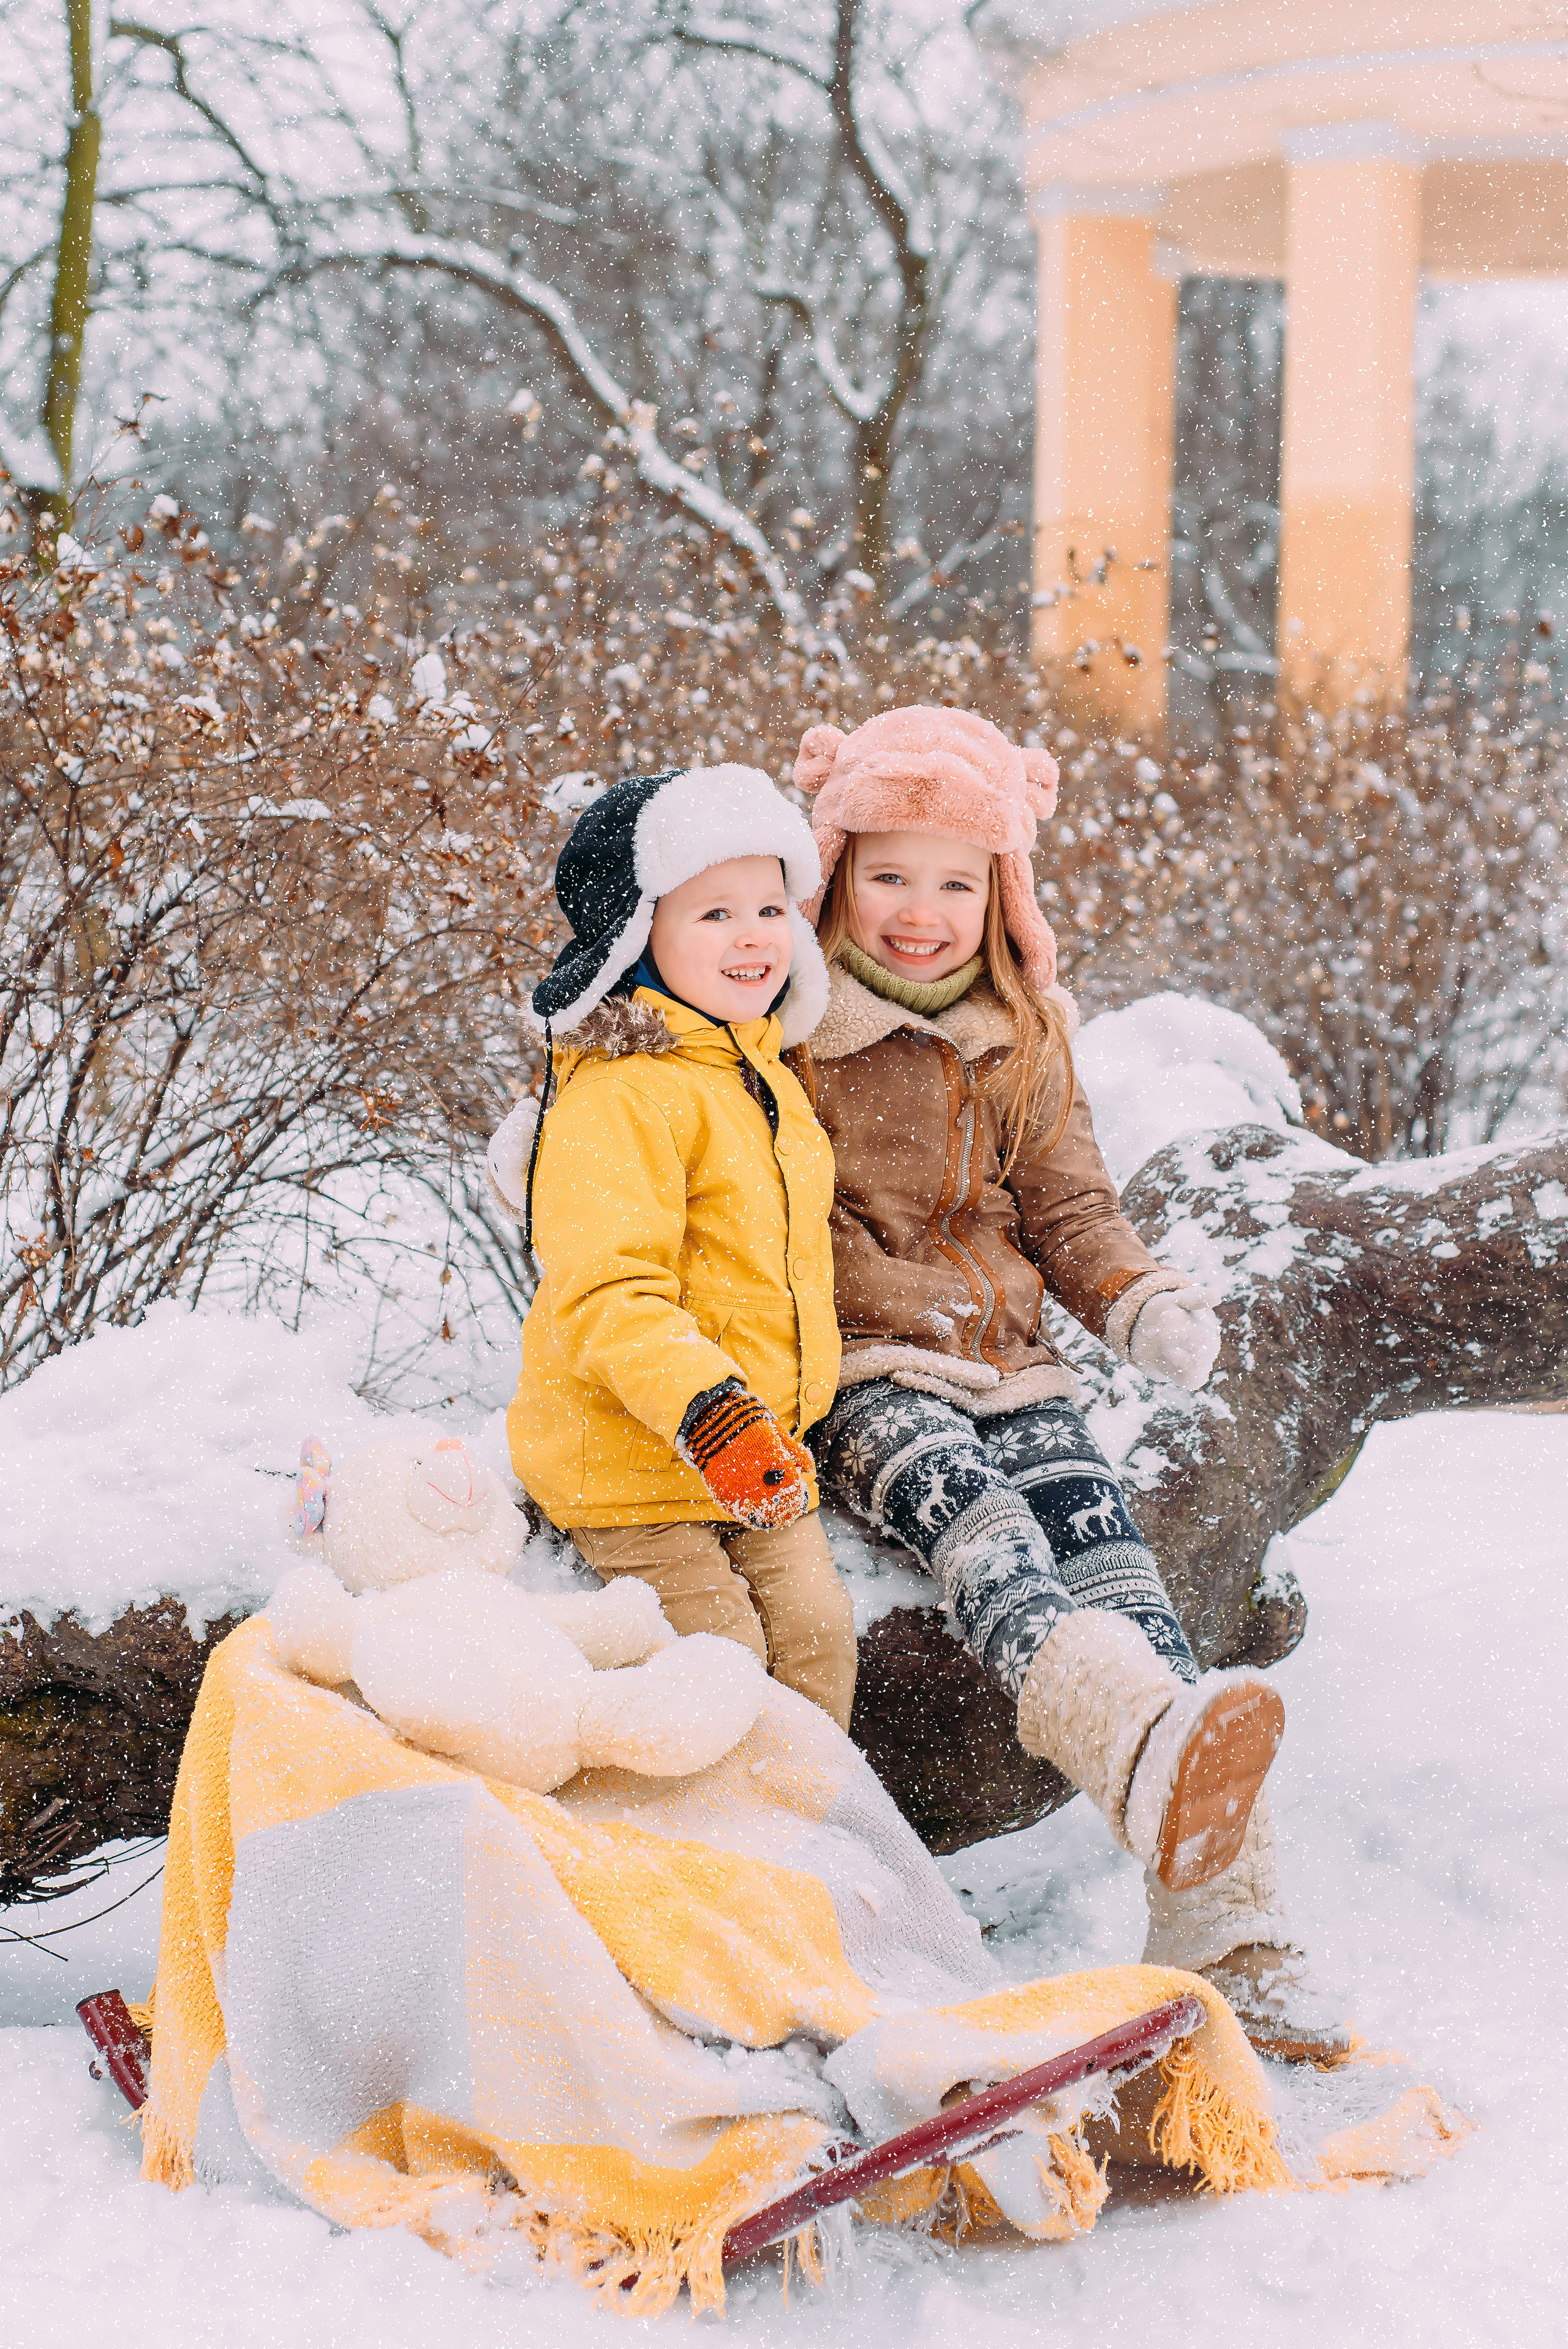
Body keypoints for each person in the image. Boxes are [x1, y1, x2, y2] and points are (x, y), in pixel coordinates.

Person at [793, 706, 1349, 2060]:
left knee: (1117, 1564)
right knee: (982, 1538)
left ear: (1001, 893)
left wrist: (1135, 1297)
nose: (918, 913)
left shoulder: (1023, 1028)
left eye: (954, 881)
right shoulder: (785, 1026)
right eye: (886, 876)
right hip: (858, 1366)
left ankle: (1227, 1924)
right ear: (833, 873)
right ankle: (1123, 1746)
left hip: (1014, 1366)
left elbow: (1068, 1206)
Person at [496, 763, 856, 1729]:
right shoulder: (619, 1093)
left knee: (820, 1634)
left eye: (772, 907)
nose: (753, 936)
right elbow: (607, 1293)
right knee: (722, 1659)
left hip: (760, 1450)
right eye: (714, 914)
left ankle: (803, 1827)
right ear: (638, 935)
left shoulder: (761, 1071)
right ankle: (711, 1842)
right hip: (630, 1459)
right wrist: (712, 1414)